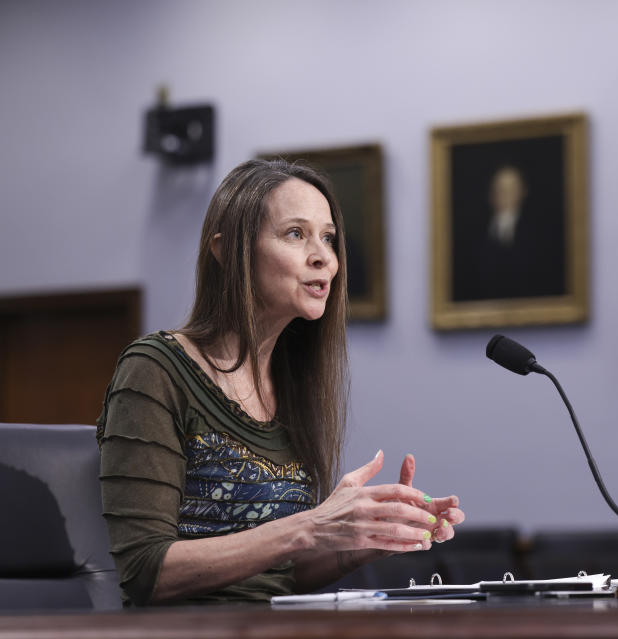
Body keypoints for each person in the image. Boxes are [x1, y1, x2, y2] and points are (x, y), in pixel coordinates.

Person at [97, 159, 465, 605]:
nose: (323, 257)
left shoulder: (291, 383)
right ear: (227, 249)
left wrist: (357, 542)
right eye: (296, 234)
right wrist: (311, 526)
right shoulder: (156, 370)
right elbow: (146, 571)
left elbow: (276, 575)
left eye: (328, 238)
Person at [452, 164, 564, 302]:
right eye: (499, 189)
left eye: (510, 189)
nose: (503, 194)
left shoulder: (540, 233)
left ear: (523, 191)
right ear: (491, 193)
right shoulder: (472, 233)